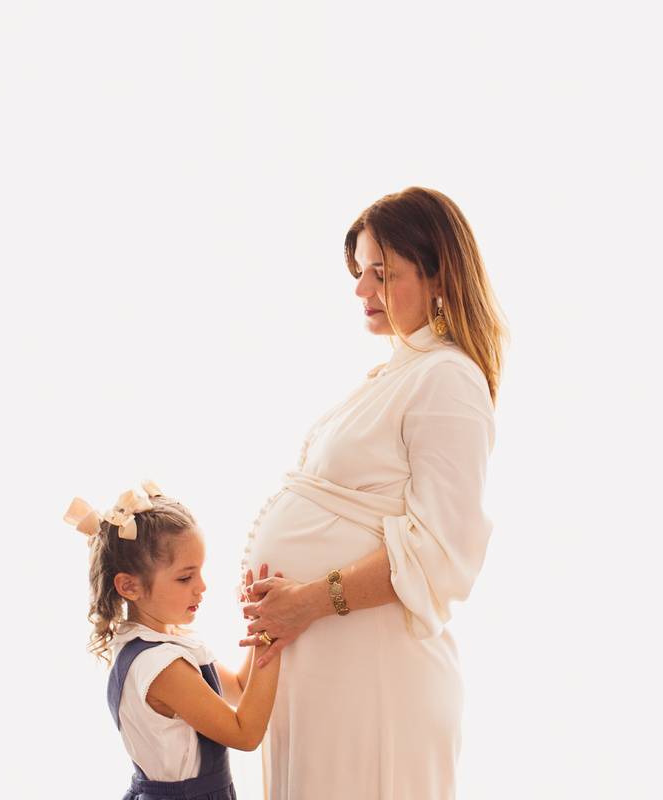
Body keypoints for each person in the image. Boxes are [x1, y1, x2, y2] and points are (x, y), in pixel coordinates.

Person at [238, 187, 507, 799]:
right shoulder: (400, 372)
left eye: (381, 273)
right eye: (360, 273)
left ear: (438, 272)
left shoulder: (448, 379)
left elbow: (439, 554)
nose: (361, 290)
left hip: (378, 678)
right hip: (336, 672)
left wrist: (306, 599)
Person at [64, 480, 281, 800]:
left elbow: (236, 689)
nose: (202, 586)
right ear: (129, 587)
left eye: (201, 571)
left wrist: (255, 623)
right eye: (185, 577)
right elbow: (245, 734)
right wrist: (270, 631)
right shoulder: (161, 665)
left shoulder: (164, 642)